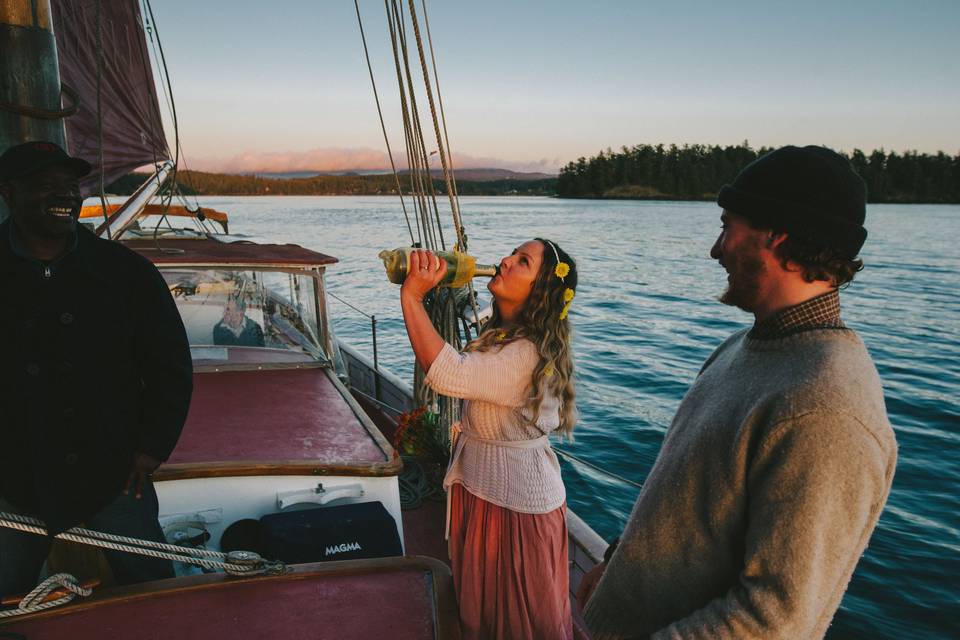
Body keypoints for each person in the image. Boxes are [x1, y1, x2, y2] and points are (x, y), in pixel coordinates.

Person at [579, 145, 897, 639]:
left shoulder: (824, 408)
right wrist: (617, 564)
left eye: (727, 226)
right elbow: (689, 499)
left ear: (777, 235)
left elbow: (774, 620)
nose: (716, 248)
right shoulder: (741, 348)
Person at [0, 141, 193, 597]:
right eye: (46, 186)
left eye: (71, 185)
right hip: (12, 474)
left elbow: (170, 367)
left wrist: (151, 449)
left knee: (154, 591)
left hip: (112, 469)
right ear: (9, 194)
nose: (65, 195)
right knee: (4, 596)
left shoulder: (127, 273)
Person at [400, 239, 578, 639]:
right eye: (512, 254)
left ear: (540, 291)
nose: (505, 261)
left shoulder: (525, 354)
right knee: (485, 614)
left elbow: (450, 375)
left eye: (522, 262)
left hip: (515, 510)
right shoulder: (502, 336)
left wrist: (412, 296)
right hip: (487, 494)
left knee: (515, 621)